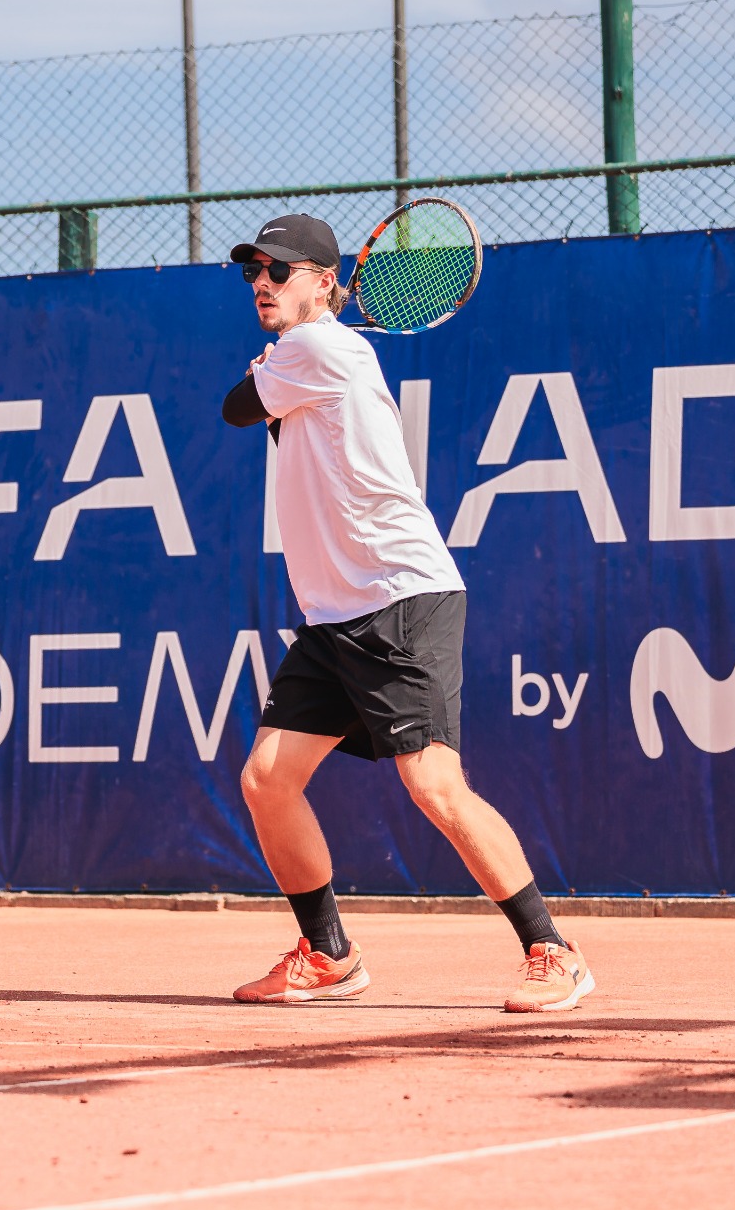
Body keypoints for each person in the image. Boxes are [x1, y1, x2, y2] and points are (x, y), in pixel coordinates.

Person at [220, 215, 593, 1011]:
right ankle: (328, 955)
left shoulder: (318, 348)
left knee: (435, 787)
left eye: (280, 273)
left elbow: (236, 407)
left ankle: (554, 952)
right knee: (267, 780)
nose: (261, 283)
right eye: (253, 271)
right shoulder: (312, 351)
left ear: (326, 282)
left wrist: (266, 364)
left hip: (397, 599)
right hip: (334, 615)